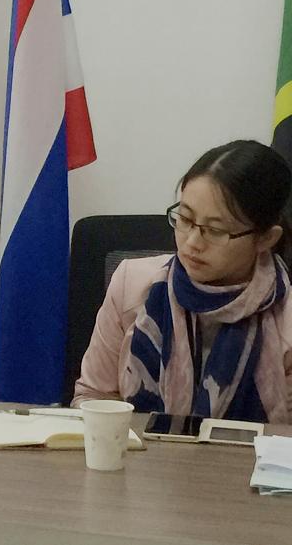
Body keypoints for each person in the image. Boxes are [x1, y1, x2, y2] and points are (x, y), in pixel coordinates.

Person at [73, 140, 292, 423]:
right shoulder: (131, 285)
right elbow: (93, 397)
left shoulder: (285, 320)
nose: (191, 243)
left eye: (215, 230)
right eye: (185, 219)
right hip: (136, 450)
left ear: (266, 238)